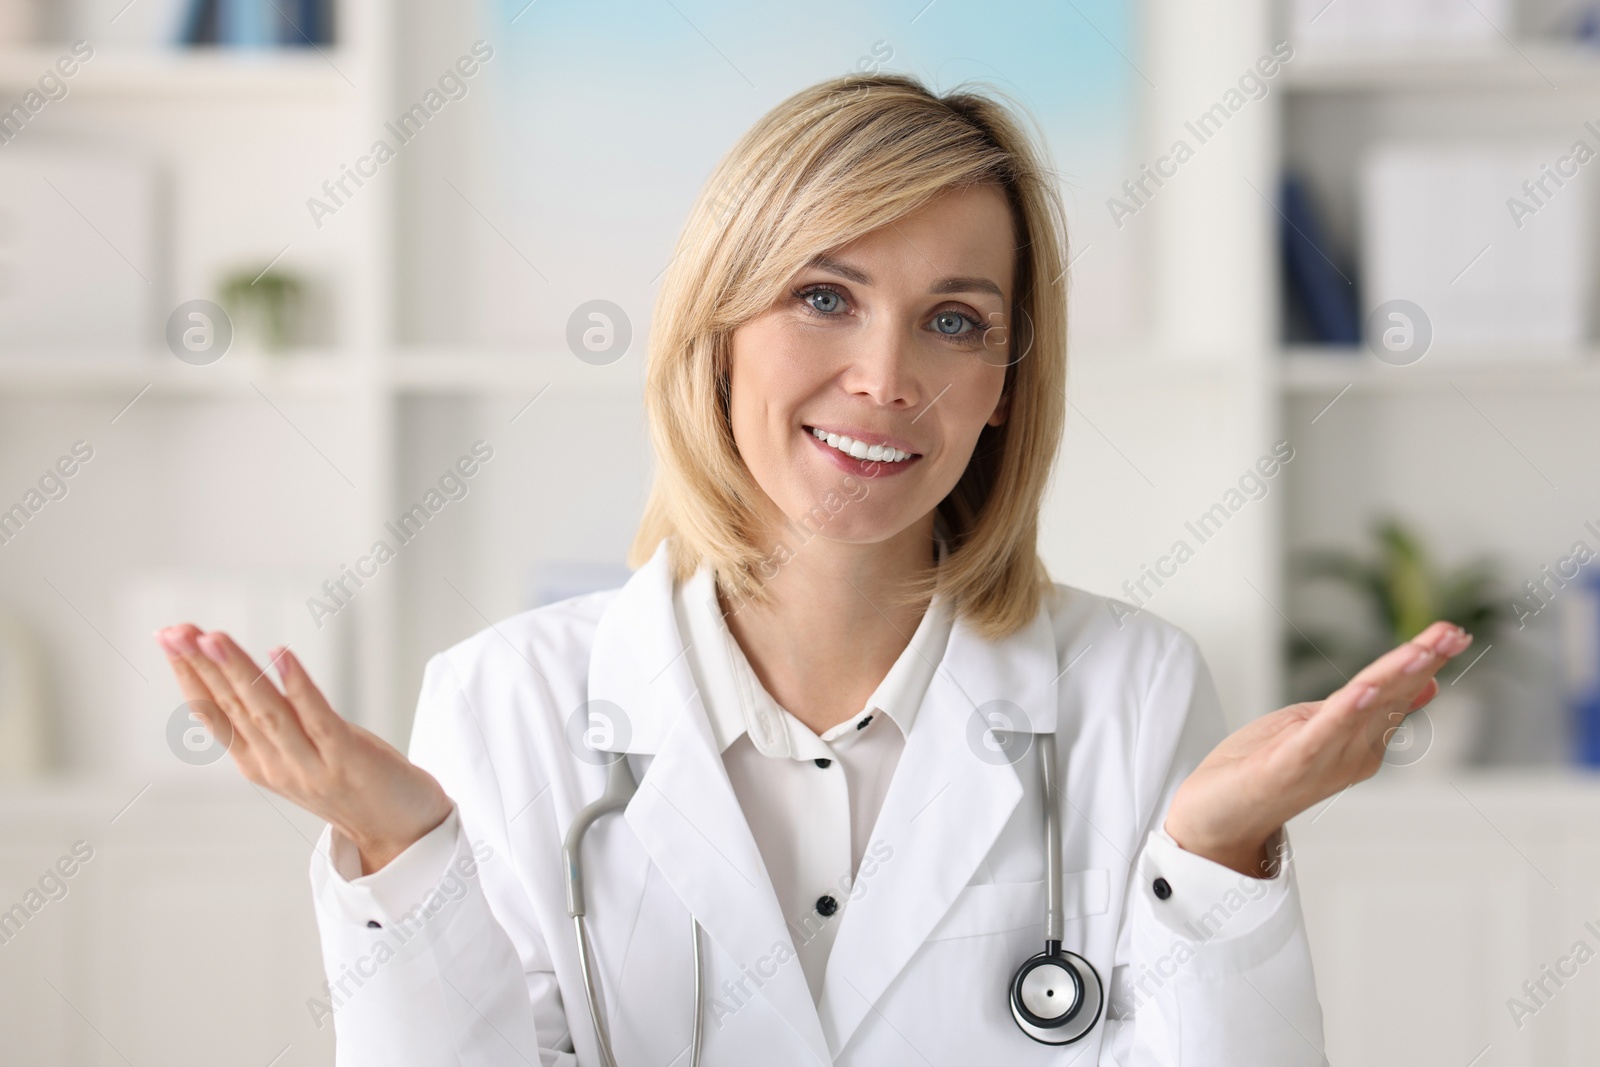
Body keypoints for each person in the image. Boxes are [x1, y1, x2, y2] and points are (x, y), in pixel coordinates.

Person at [153, 72, 1471, 1065]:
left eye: (956, 321)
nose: (886, 379)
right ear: (717, 329)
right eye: (824, 297)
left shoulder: (1129, 685)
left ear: (1006, 386)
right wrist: (398, 858)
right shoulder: (502, 703)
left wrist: (1221, 858)